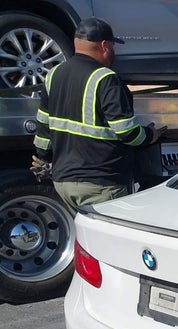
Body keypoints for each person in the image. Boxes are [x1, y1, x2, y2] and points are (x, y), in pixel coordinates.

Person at [32, 17, 160, 211]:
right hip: (99, 185)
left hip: (63, 182)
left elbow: (43, 127)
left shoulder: (54, 74)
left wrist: (43, 157)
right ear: (104, 46)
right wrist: (151, 135)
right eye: (113, 47)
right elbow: (128, 133)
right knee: (110, 240)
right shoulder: (106, 78)